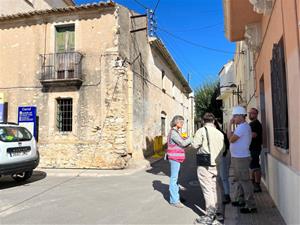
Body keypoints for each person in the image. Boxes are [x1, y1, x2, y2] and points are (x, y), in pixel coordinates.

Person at [192, 113, 225, 224]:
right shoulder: (220, 133)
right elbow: (223, 148)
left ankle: (210, 215)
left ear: (203, 121)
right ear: (214, 121)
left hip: (205, 163)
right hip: (216, 163)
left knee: (207, 189)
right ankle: (219, 212)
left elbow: (194, 145)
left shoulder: (201, 131)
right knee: (215, 188)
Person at [227, 106, 257, 214]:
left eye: (235, 116)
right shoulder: (241, 126)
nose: (233, 118)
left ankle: (251, 206)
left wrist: (229, 125)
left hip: (241, 158)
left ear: (240, 116)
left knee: (245, 181)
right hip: (238, 157)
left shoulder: (242, 127)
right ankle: (241, 200)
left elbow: (230, 139)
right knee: (239, 180)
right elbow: (231, 138)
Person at [167, 115, 191, 208]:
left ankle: (176, 197)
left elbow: (181, 142)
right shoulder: (173, 133)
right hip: (174, 158)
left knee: (176, 179)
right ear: (177, 122)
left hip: (176, 158)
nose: (182, 124)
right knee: (174, 179)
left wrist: (186, 139)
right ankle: (174, 200)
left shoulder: (175, 132)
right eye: (181, 122)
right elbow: (183, 143)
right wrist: (190, 138)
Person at [214, 120, 231, 204]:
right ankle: (223, 194)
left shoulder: (220, 134)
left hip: (223, 157)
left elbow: (226, 146)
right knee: (220, 177)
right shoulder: (217, 134)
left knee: (223, 177)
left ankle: (227, 195)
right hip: (219, 157)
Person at [248, 108, 263, 192]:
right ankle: (254, 184)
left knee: (255, 166)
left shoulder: (256, 124)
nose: (250, 114)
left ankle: (257, 185)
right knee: (253, 166)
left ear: (255, 114)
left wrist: (245, 134)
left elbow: (254, 135)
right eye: (249, 113)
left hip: (255, 148)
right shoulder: (252, 123)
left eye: (251, 113)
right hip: (252, 148)